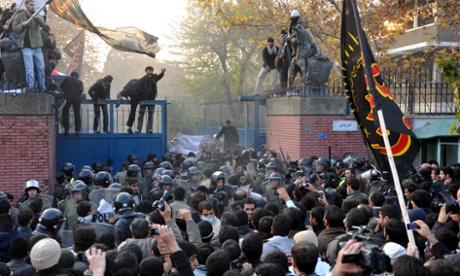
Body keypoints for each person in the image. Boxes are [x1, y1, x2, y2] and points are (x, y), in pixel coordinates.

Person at [12, 0, 46, 93]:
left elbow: (42, 22)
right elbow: (15, 28)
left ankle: (42, 87)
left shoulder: (37, 14)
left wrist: (36, 18)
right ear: (26, 5)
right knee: (29, 69)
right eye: (31, 5)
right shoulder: (20, 16)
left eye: (33, 5)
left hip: (37, 46)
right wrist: (22, 25)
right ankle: (31, 87)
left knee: (41, 68)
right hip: (26, 47)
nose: (33, 7)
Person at [137, 66, 166, 133]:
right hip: (143, 100)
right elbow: (139, 91)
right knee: (141, 114)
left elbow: (159, 76)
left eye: (151, 71)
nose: (150, 72)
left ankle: (149, 129)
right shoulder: (142, 80)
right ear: (146, 71)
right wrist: (140, 100)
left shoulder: (154, 77)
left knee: (151, 114)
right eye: (149, 70)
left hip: (151, 99)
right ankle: (139, 129)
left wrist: (162, 72)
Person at [60, 72, 84, 136]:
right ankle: (77, 130)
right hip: (76, 98)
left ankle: (66, 130)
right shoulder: (79, 82)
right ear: (77, 76)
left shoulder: (66, 80)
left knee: (65, 113)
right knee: (77, 113)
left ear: (71, 75)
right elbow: (81, 90)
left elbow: (61, 88)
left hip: (67, 97)